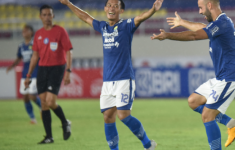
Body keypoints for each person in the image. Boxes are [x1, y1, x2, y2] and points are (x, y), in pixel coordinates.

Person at [58, 0, 163, 149]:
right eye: (109, 5)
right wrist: (69, 3)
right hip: (108, 82)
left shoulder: (126, 26)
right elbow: (85, 17)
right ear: (105, 8)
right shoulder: (103, 27)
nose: (112, 8)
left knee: (123, 116)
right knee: (107, 117)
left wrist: (153, 9)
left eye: (116, 6)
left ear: (121, 11)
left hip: (124, 80)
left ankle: (148, 144)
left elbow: (140, 17)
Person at [151, 0, 235, 149]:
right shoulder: (220, 23)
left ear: (209, 5)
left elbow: (194, 36)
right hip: (222, 77)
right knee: (194, 101)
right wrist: (182, 22)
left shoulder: (222, 23)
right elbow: (201, 28)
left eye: (201, 8)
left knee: (207, 115)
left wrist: (169, 35)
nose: (200, 12)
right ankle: (232, 124)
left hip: (231, 77)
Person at [24, 5, 73, 144]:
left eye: (49, 14)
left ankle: (65, 122)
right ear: (40, 17)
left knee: (51, 101)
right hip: (42, 69)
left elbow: (69, 50)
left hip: (57, 68)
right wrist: (28, 75)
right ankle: (49, 137)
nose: (47, 17)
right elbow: (35, 56)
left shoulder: (60, 31)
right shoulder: (38, 34)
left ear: (53, 16)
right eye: (44, 15)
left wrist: (68, 71)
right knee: (44, 104)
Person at [6, 25, 41, 124]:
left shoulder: (35, 43)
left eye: (26, 30)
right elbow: (19, 58)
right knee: (25, 97)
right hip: (24, 74)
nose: (24, 32)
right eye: (23, 31)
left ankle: (42, 108)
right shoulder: (21, 46)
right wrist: (12, 66)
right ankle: (33, 118)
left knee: (32, 96)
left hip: (35, 73)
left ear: (31, 32)